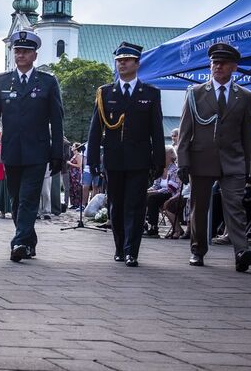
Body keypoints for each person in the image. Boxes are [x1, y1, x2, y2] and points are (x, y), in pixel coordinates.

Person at [0, 30, 63, 262]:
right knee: (17, 198)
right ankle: (29, 241)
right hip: (11, 150)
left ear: (34, 55)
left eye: (26, 51)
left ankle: (18, 242)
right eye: (17, 51)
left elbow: (57, 120)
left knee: (28, 198)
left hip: (37, 151)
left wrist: (57, 152)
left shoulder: (48, 82)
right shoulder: (2, 81)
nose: (20, 55)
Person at [177, 42, 251, 271]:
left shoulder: (245, 96)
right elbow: (185, 131)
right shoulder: (196, 93)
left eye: (222, 63)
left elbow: (245, 134)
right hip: (201, 159)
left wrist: (247, 165)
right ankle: (198, 250)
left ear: (234, 67)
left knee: (235, 206)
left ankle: (241, 251)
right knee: (199, 208)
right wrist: (183, 161)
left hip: (233, 160)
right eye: (214, 63)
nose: (217, 67)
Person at [86, 42, 166, 267]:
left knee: (135, 205)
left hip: (139, 160)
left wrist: (159, 160)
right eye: (119, 60)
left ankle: (132, 250)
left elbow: (157, 131)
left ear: (137, 64)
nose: (122, 63)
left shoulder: (150, 94)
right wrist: (92, 160)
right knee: (116, 205)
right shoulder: (105, 92)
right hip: (113, 159)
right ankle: (120, 247)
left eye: (127, 60)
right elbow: (95, 129)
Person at [145, 146, 180, 237]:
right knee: (143, 196)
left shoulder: (175, 170)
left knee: (153, 198)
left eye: (164, 155)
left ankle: (153, 227)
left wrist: (155, 192)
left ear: (170, 157)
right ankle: (143, 225)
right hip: (161, 194)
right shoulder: (160, 169)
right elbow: (155, 185)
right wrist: (148, 191)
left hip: (172, 195)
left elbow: (172, 188)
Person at [66, 143, 84, 210]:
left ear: (76, 148)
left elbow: (79, 165)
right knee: (72, 188)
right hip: (72, 174)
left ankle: (78, 203)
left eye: (73, 146)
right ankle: (73, 203)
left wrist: (70, 163)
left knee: (77, 188)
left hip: (76, 174)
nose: (71, 147)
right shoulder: (74, 155)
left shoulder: (78, 155)